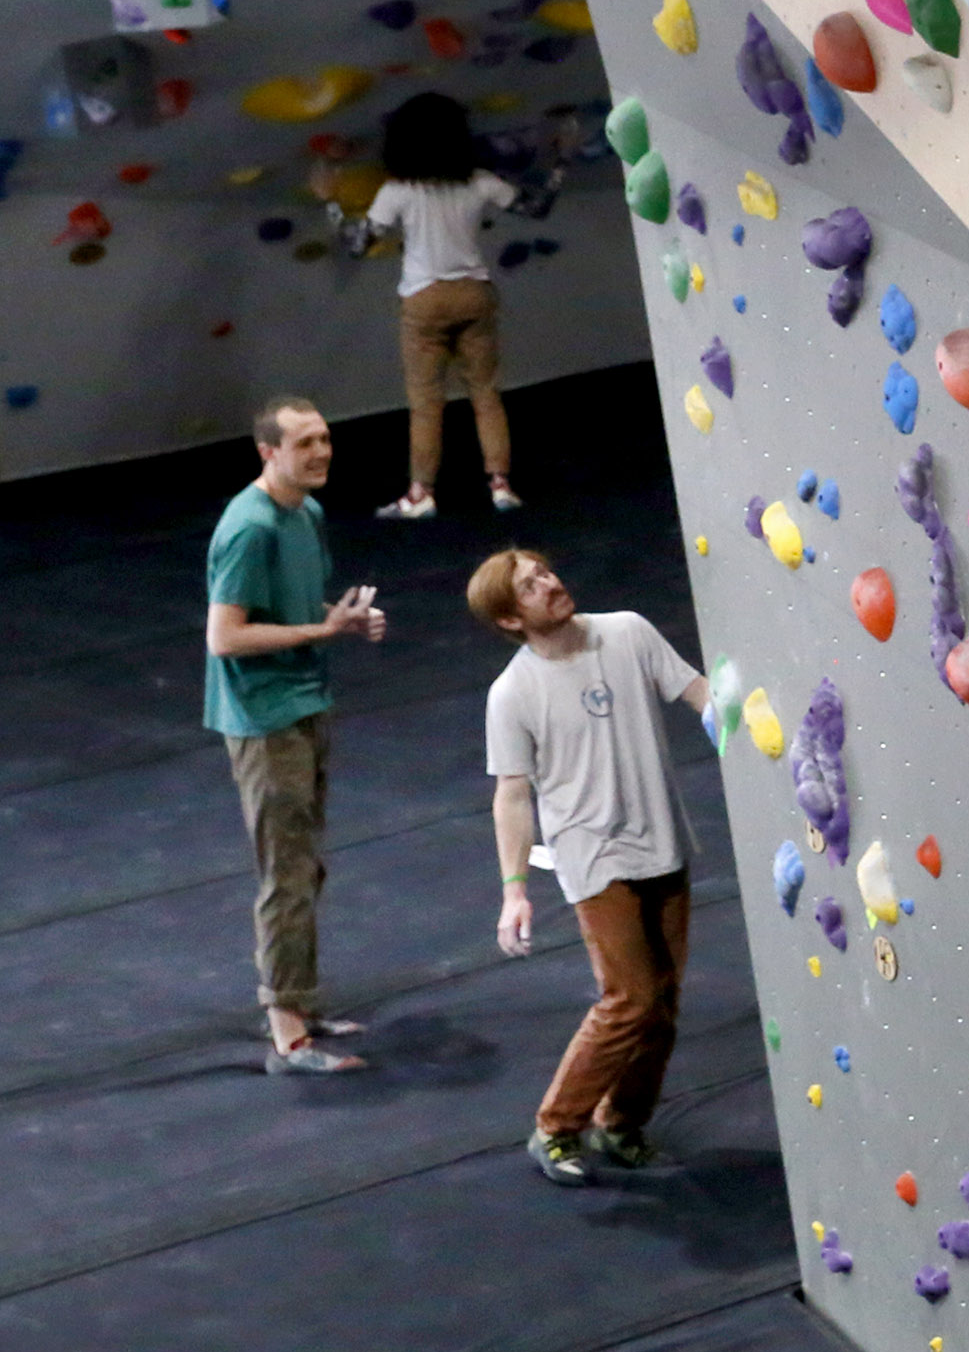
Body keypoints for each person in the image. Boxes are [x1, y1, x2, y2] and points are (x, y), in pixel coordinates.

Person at [470, 548, 711, 1185]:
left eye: (546, 571)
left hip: (662, 839)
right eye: (530, 586)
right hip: (592, 857)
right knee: (629, 997)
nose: (551, 583)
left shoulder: (627, 632)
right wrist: (514, 889)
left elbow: (701, 696)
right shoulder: (512, 693)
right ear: (509, 620)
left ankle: (622, 1123)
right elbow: (512, 796)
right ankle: (556, 1127)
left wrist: (755, 733)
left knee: (662, 1004)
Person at [206, 396, 388, 1073]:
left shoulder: (306, 514)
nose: (320, 452)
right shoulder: (248, 528)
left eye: (325, 438)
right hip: (263, 715)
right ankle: (289, 1027)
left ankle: (300, 998)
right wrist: (322, 631)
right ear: (268, 452)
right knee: (285, 867)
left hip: (304, 698)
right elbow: (224, 635)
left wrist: (337, 618)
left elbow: (287, 608)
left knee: (306, 859)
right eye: (304, 442)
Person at [316, 93, 560, 520]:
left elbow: (358, 244)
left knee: (426, 403)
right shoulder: (481, 182)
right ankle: (501, 486)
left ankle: (420, 494)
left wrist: (330, 201)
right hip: (475, 294)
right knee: (486, 394)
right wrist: (560, 165)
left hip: (424, 302)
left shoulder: (398, 192)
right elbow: (537, 207)